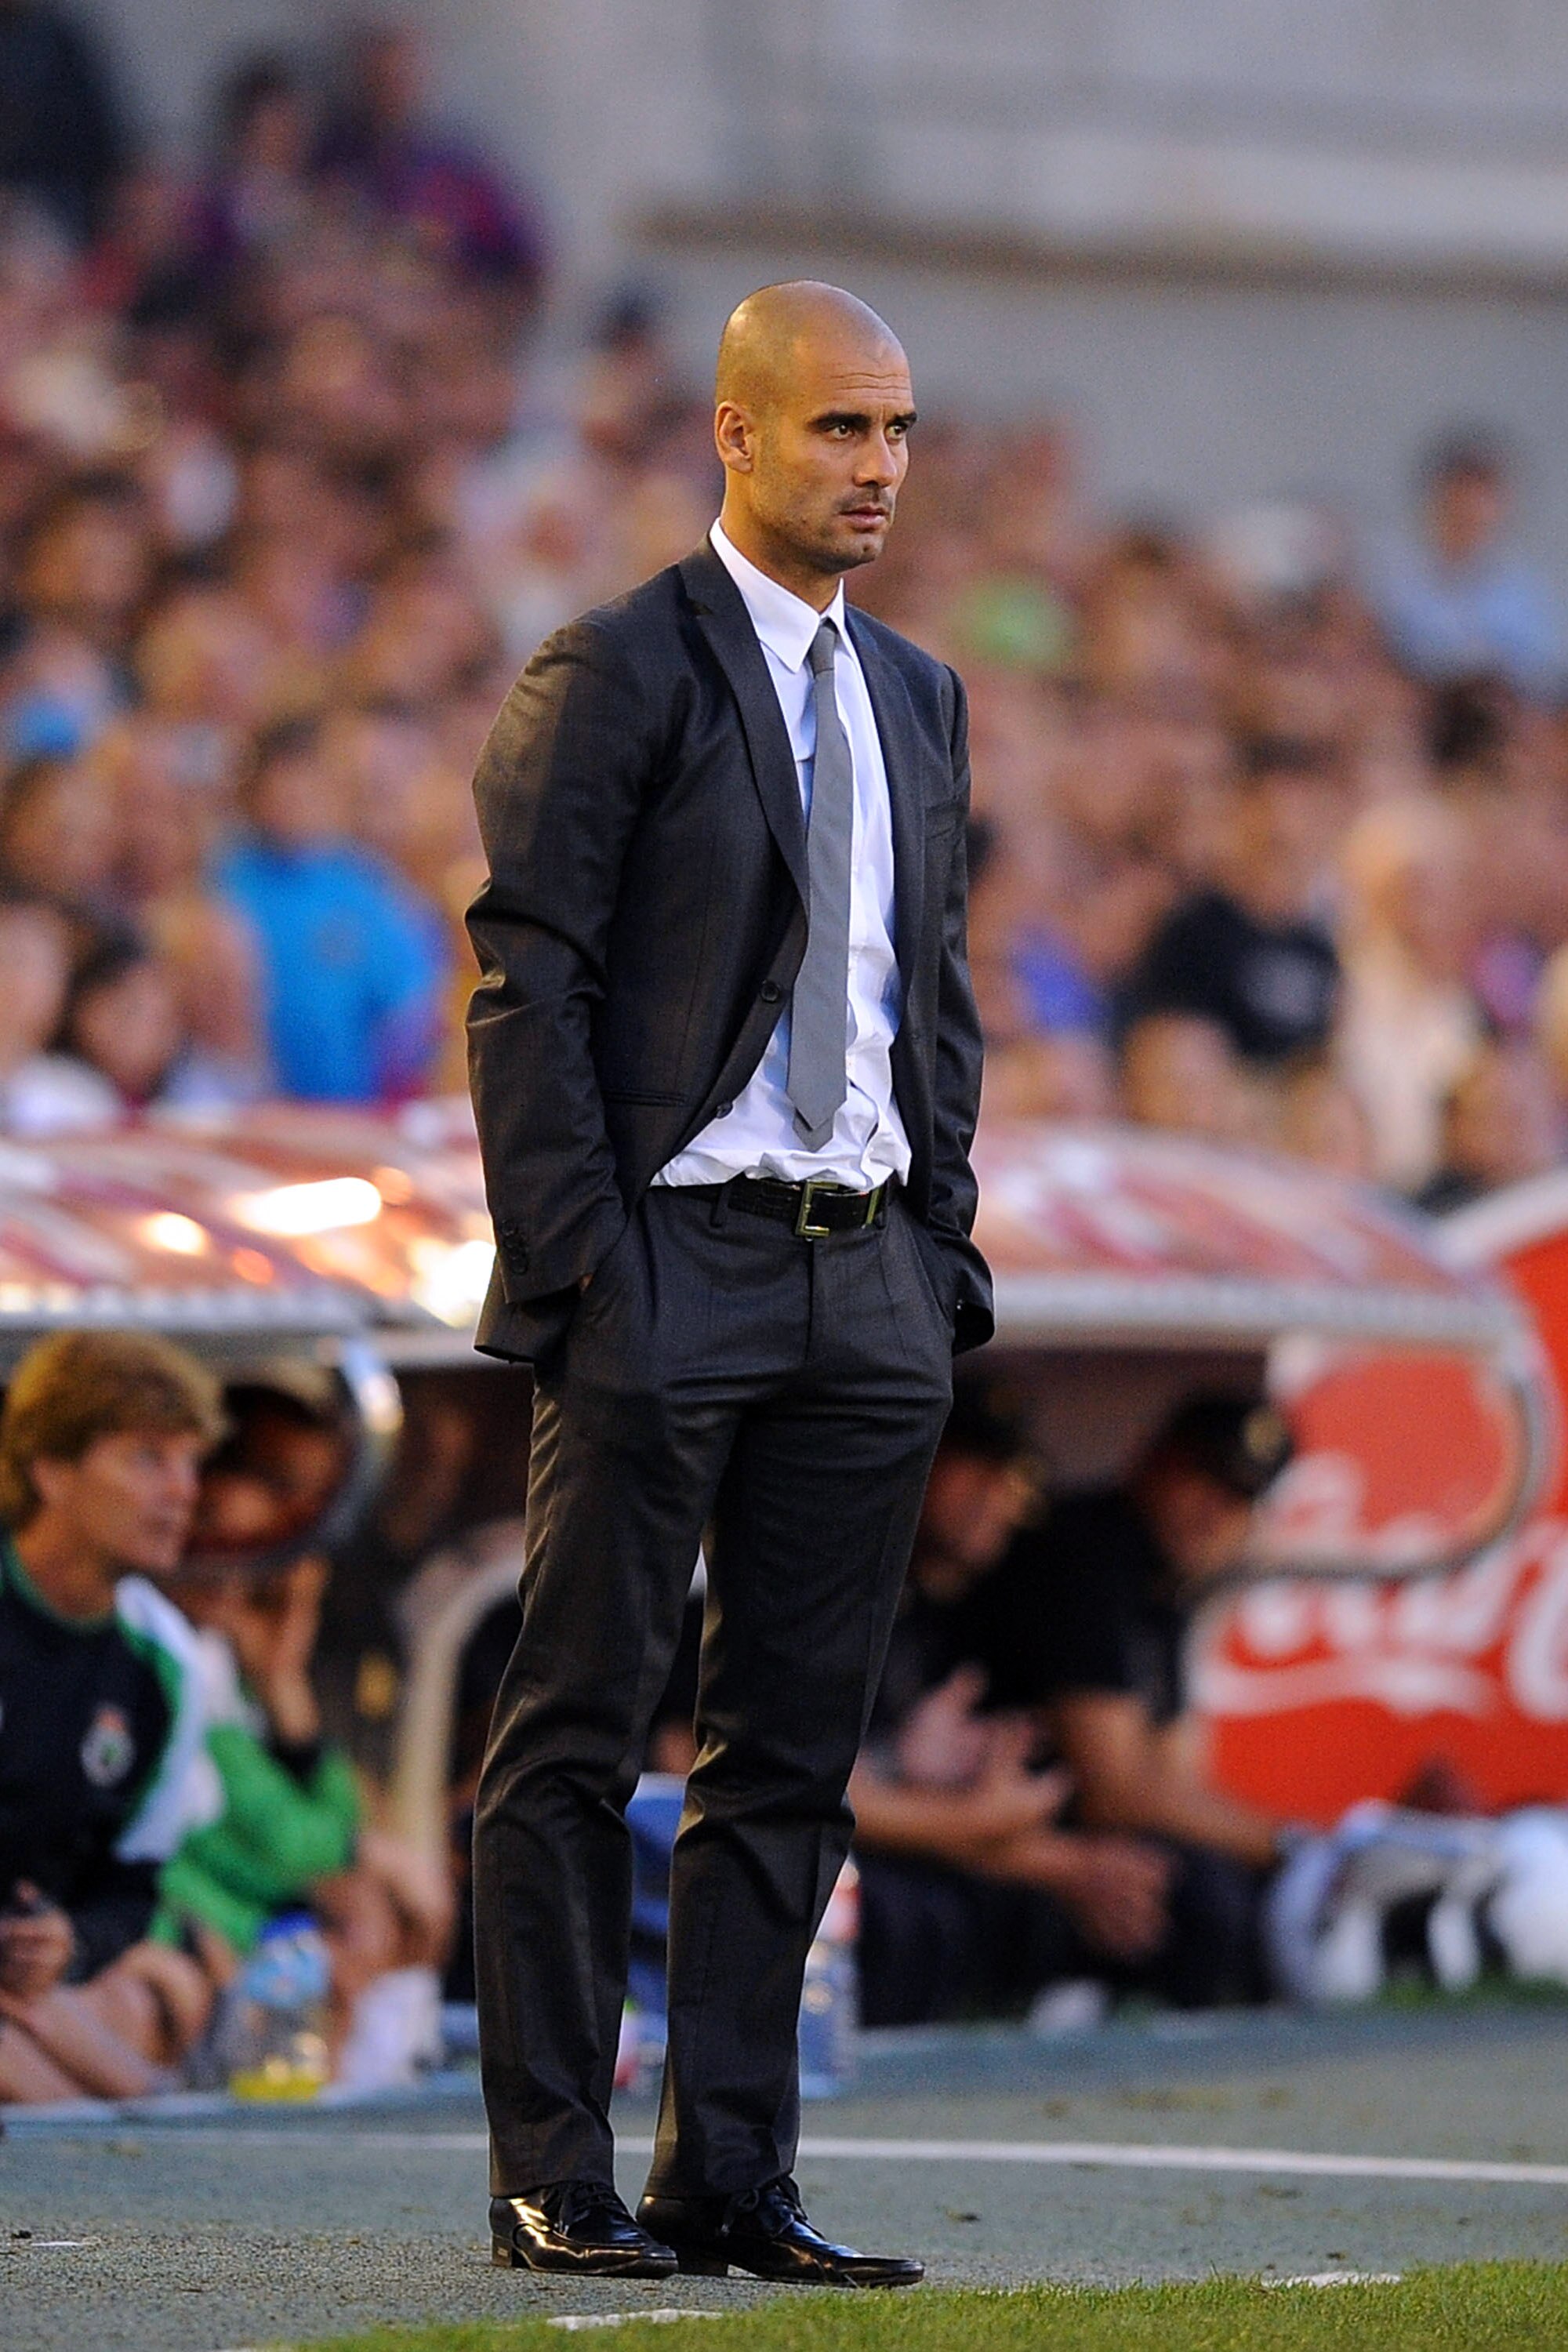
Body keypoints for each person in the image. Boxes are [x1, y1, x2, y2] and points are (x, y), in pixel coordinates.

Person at [466, 281, 989, 2283]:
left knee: (789, 1755)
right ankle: (552, 2169)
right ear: (736, 431)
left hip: (866, 1276)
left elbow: (926, 993)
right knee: (579, 1723)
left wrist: (937, 1240)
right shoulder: (614, 666)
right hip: (668, 1258)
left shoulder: (920, 692)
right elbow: (526, 983)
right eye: (841, 426)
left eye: (898, 428)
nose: (878, 465)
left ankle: (730, 2174)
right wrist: (588, 1266)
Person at [851, 1392, 1170, 2027]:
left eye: (1009, 1478)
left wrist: (1006, 1827)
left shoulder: (958, 1609)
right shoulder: (841, 1577)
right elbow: (753, 1773)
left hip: (922, 1840)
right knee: (902, 1915)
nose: (996, 1497)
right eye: (973, 1466)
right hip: (808, 1854)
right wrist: (999, 1832)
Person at [1005, 1393, 1298, 2008]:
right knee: (1200, 1898)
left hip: (1022, 1834)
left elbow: (1173, 1781)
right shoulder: (1089, 1550)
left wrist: (1293, 1850)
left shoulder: (1167, 1582)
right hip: (987, 1832)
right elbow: (1116, 1795)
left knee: (1228, 1886)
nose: (1216, 1513)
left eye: (1240, 1498)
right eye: (1205, 1479)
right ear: (1152, 1461)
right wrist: (1299, 1847)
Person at [0, 1330, 223, 2101]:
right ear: (51, 1470)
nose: (183, 1491)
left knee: (149, 2001)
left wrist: (70, 1943)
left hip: (28, 1990)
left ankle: (140, 2109)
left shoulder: (165, 1662)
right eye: (148, 1459)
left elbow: (131, 1885)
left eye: (191, 1462)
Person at [213, 710, 446, 1102]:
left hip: (353, 1108)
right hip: (244, 1100)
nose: (295, 798)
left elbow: (410, 1011)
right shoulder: (224, 880)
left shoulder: (369, 887)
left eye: (308, 785)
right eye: (282, 785)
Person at [1370, 430, 1563, 702]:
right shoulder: (1384, 573)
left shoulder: (1522, 592)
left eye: (1480, 512)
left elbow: (1541, 677)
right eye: (1460, 506)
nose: (1470, 517)